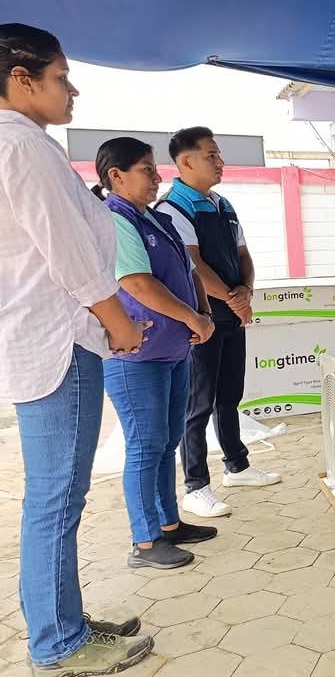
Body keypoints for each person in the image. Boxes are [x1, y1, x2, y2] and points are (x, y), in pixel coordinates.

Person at [0, 23, 153, 677]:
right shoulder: (21, 145)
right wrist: (118, 322)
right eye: (61, 77)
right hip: (58, 343)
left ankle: (64, 622)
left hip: (43, 340)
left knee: (55, 496)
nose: (73, 90)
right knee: (57, 498)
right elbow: (68, 253)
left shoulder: (20, 143)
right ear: (21, 78)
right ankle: (57, 643)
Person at [93, 138, 220, 569]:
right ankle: (145, 542)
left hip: (172, 350)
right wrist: (193, 319)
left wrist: (203, 314)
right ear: (116, 176)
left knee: (167, 441)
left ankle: (169, 523)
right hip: (137, 356)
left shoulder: (156, 218)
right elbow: (137, 283)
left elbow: (190, 270)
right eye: (146, 169)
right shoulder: (115, 219)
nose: (156, 176)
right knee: (145, 445)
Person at [156, 127, 280, 519]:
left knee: (229, 395)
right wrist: (232, 297)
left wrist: (246, 291)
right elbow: (192, 263)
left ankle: (237, 466)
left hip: (232, 313)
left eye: (219, 154)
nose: (220, 162)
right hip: (201, 318)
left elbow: (243, 254)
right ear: (186, 161)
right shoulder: (173, 208)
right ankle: (195, 486)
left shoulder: (222, 204)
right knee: (197, 403)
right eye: (211, 155)